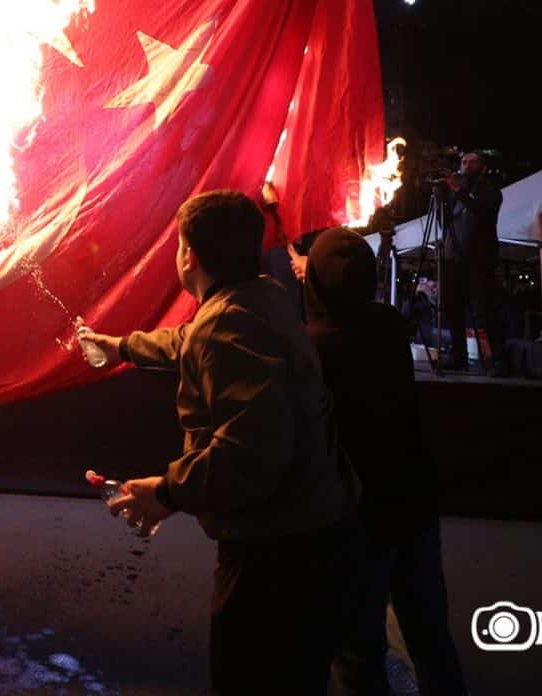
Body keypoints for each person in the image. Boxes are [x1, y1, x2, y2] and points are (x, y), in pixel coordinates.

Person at [78, 190, 362, 695]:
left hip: (275, 557)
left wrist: (165, 492)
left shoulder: (228, 324)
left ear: (189, 255)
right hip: (315, 536)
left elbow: (251, 452)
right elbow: (190, 340)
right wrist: (121, 347)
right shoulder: (261, 297)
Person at [302, 228, 467, 696]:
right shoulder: (389, 326)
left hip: (357, 513)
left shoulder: (311, 347)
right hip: (413, 501)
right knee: (429, 633)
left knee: (358, 647)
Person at [438, 152, 503, 375]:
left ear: (482, 167)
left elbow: (482, 212)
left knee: (484, 309)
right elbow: (446, 221)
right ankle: (459, 355)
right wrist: (444, 196)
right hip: (453, 256)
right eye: (464, 162)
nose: (466, 166)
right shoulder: (454, 193)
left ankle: (499, 359)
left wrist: (458, 190)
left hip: (479, 258)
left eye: (472, 162)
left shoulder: (490, 191)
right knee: (452, 307)